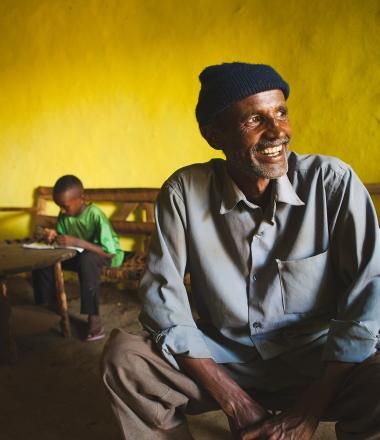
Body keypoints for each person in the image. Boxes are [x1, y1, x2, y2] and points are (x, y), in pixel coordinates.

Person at [101, 63, 380, 439]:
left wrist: (308, 411)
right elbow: (164, 302)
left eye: (280, 112)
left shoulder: (332, 183)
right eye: (253, 119)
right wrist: (234, 401)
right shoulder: (184, 192)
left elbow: (369, 297)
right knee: (125, 360)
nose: (278, 131)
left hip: (318, 361)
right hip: (225, 359)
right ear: (213, 134)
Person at [32, 175, 124, 341]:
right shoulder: (64, 215)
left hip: (106, 256)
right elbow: (64, 239)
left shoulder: (95, 215)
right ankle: (47, 307)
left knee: (87, 260)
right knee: (44, 258)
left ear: (81, 199)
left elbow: (109, 252)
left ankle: (94, 320)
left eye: (65, 206)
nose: (62, 211)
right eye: (59, 206)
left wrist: (76, 241)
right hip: (78, 254)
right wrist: (54, 237)